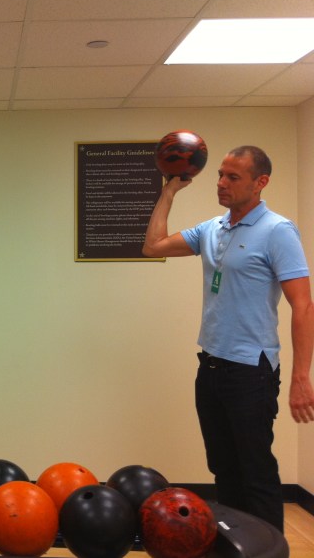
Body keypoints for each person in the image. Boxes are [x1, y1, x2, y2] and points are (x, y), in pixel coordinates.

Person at [142, 145, 314, 532]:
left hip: (251, 370)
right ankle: (237, 545)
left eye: (233, 177)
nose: (220, 183)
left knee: (256, 473)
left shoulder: (277, 231)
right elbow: (152, 246)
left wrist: (302, 377)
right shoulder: (211, 229)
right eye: (220, 174)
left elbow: (303, 306)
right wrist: (168, 192)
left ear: (260, 182)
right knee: (223, 469)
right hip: (212, 366)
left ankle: (268, 549)